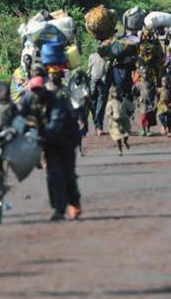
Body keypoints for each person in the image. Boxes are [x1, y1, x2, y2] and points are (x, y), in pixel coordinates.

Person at [21, 76, 82, 221]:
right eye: (33, 90)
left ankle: (74, 203)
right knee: (53, 176)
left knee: (68, 174)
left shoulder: (55, 101)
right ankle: (58, 209)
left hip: (66, 141)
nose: (36, 93)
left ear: (44, 89)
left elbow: (56, 123)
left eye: (38, 90)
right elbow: (19, 115)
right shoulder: (28, 100)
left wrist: (41, 137)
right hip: (49, 142)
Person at [87, 50, 108, 136]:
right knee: (93, 105)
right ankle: (97, 126)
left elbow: (107, 70)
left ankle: (99, 127)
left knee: (101, 105)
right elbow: (89, 69)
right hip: (93, 82)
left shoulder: (107, 57)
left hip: (102, 84)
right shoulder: (92, 56)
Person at [106, 87, 132, 154]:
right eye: (114, 92)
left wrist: (131, 114)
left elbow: (130, 108)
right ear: (111, 94)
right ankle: (120, 149)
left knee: (126, 133)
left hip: (125, 120)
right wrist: (112, 118)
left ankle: (125, 141)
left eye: (118, 92)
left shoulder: (124, 100)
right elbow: (108, 113)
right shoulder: (110, 103)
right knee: (118, 136)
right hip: (116, 122)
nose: (116, 93)